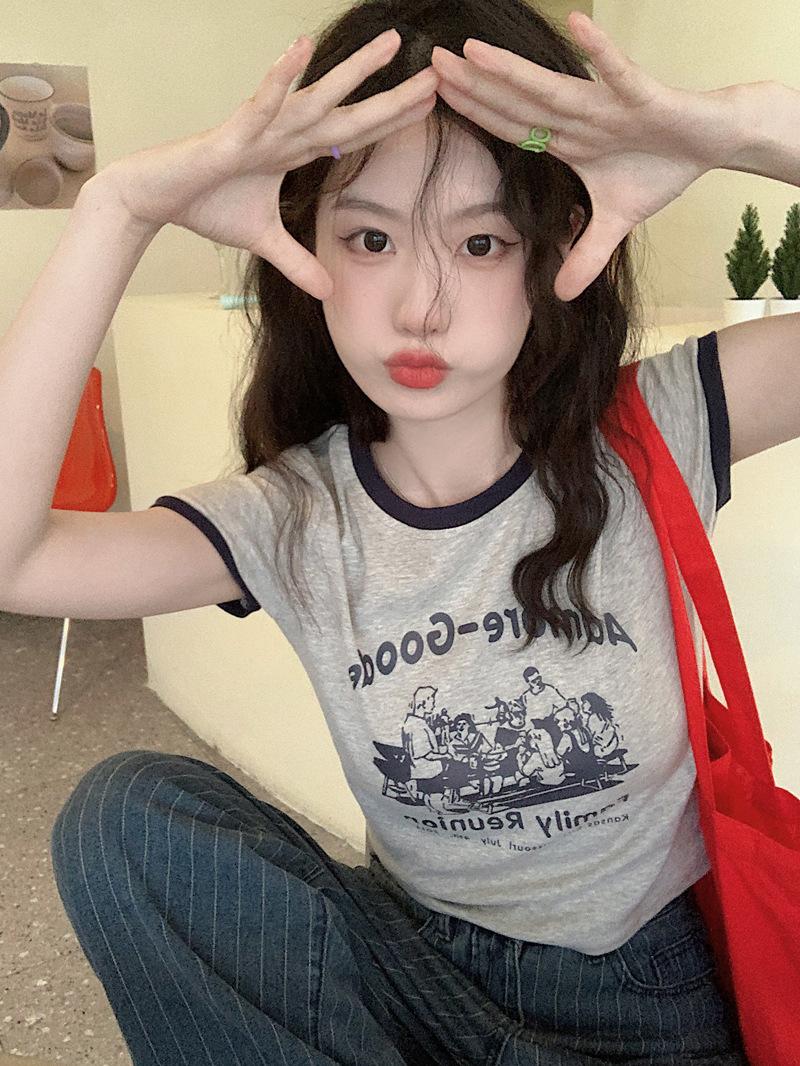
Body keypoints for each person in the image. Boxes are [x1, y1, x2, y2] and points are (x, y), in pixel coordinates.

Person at [4, 0, 799, 1061]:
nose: (420, 304)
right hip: (415, 978)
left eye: (481, 242)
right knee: (124, 816)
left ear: (552, 251)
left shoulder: (657, 426)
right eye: (370, 238)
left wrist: (746, 125)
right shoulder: (296, 515)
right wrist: (117, 208)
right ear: (307, 247)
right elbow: (14, 559)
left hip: (644, 998)